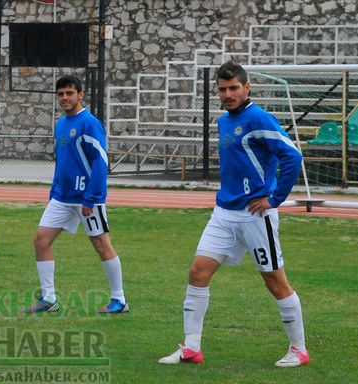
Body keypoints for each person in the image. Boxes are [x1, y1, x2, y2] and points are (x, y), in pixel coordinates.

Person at [158, 61, 308, 367]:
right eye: (222, 89)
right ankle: (191, 347)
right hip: (224, 212)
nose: (228, 94)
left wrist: (274, 198)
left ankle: (299, 349)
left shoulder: (258, 118)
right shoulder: (225, 120)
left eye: (234, 88)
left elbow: (292, 155)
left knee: (274, 281)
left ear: (246, 87)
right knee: (197, 273)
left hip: (255, 216)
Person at [23, 75, 128, 314]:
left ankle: (119, 300)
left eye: (69, 93)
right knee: (41, 240)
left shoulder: (89, 123)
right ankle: (49, 299)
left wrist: (92, 197)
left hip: (86, 199)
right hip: (62, 197)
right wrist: (54, 190)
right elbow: (63, 162)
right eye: (60, 94)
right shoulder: (61, 123)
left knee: (101, 245)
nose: (65, 98)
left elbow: (100, 162)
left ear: (81, 94)